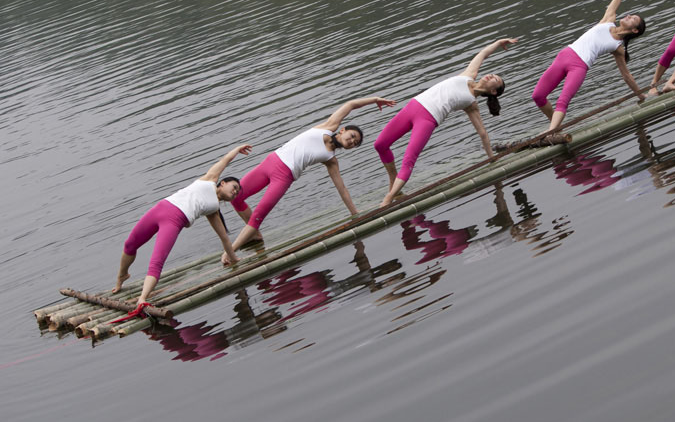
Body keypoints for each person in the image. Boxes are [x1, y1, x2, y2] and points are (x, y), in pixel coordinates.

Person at [225, 96, 395, 261]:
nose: (351, 141)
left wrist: (355, 214)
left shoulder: (331, 160)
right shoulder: (328, 126)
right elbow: (350, 104)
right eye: (351, 136)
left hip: (284, 177)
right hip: (270, 162)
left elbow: (341, 189)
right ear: (342, 130)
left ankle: (230, 252)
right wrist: (375, 100)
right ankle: (254, 237)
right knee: (236, 197)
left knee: (257, 217)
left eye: (355, 143)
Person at [374, 38, 517, 206]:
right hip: (413, 106)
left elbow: (482, 133)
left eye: (496, 79)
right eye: (494, 74)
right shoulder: (468, 76)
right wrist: (499, 42)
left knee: (409, 159)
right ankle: (394, 185)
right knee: (380, 144)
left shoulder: (471, 104)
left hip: (428, 119)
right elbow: (483, 54)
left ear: (493, 91)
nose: (492, 75)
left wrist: (491, 159)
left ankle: (388, 199)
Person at [112, 143, 252, 307]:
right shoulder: (209, 180)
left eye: (237, 193)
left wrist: (233, 258)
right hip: (160, 208)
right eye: (234, 187)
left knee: (157, 262)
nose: (235, 192)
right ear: (223, 182)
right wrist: (237, 149)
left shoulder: (213, 210)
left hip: (173, 221)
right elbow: (225, 160)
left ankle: (142, 298)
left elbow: (224, 239)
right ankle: (122, 276)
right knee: (130, 243)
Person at [532, 0, 652, 132]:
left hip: (579, 66)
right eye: (631, 15)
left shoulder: (618, 48)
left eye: (633, 19)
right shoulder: (608, 20)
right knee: (538, 95)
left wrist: (641, 96)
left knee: (563, 101)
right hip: (565, 55)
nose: (629, 15)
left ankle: (550, 131)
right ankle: (555, 128)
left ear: (635, 30)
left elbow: (626, 75)